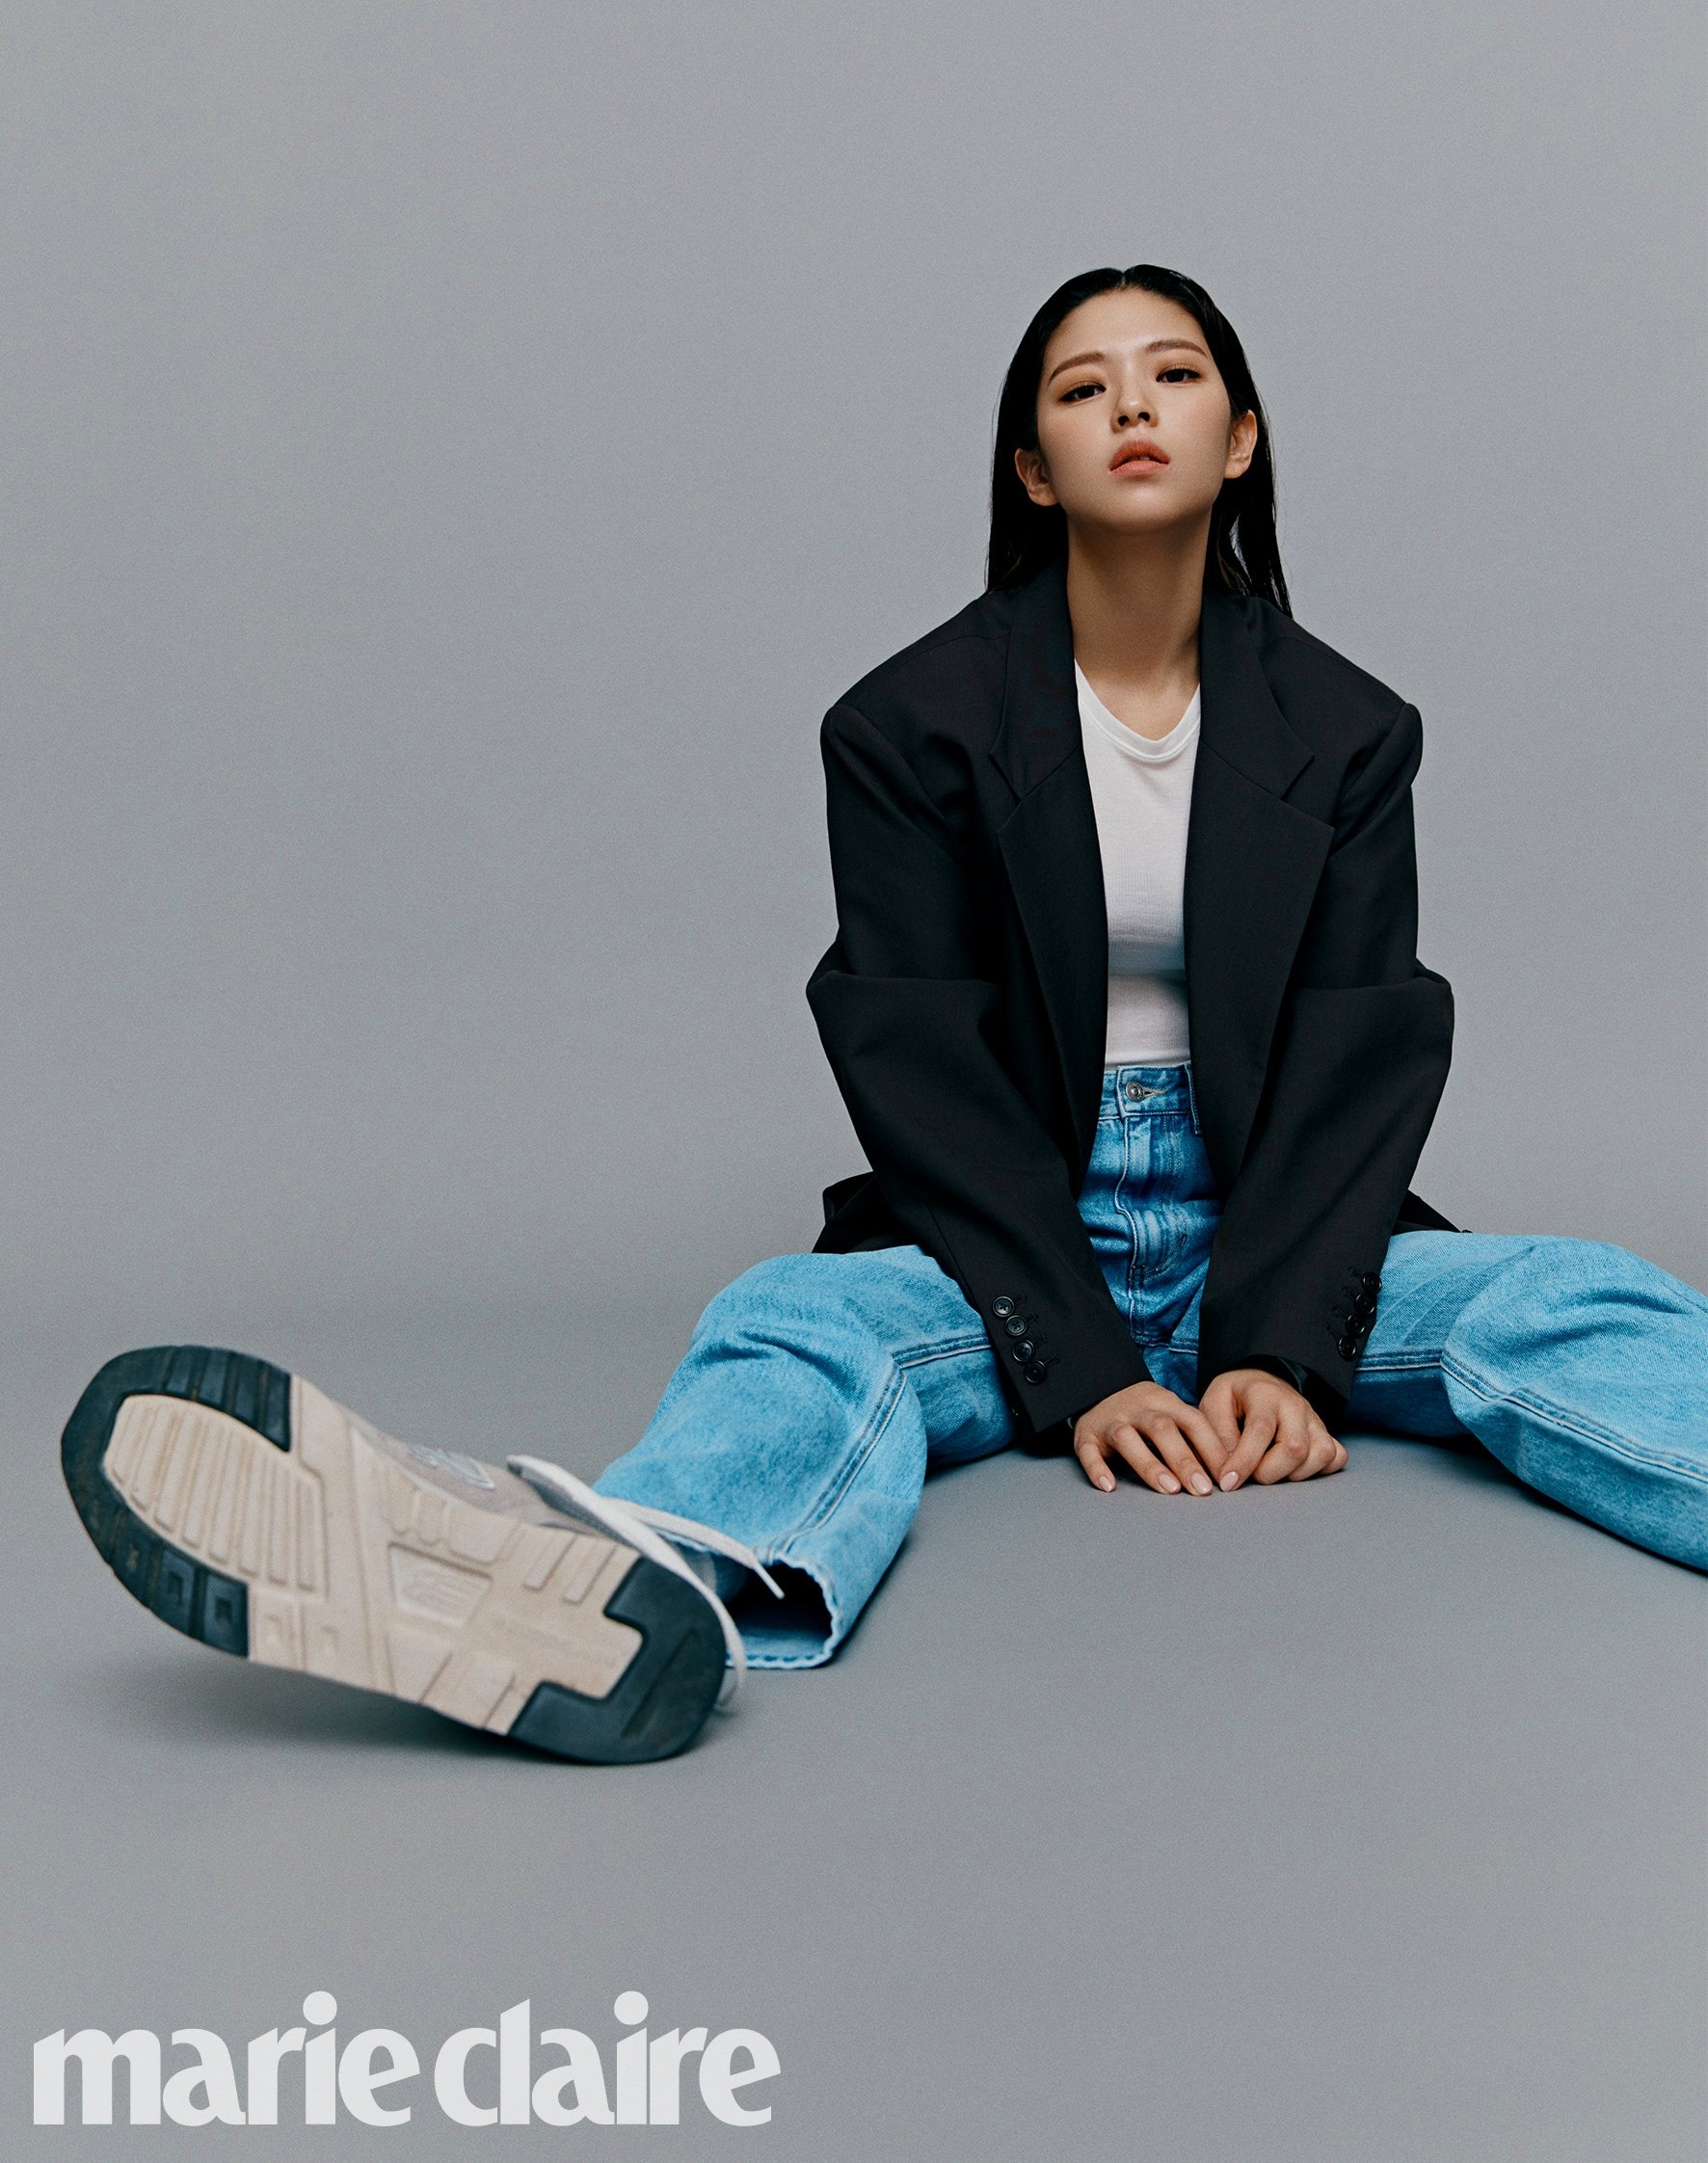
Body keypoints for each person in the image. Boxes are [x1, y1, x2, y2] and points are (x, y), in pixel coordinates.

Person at [61, 265, 1708, 1765]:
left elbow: (1363, 1043)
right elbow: (915, 1055)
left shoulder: (1348, 730)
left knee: (1566, 1294)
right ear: (1033, 468)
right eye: (1082, 388)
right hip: (1013, 1234)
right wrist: (1083, 1363)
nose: (1133, 406)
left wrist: (1277, 1343)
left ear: (1242, 435)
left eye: (1175, 373)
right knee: (795, 1322)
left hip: (1275, 1220)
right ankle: (621, 1589)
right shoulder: (910, 724)